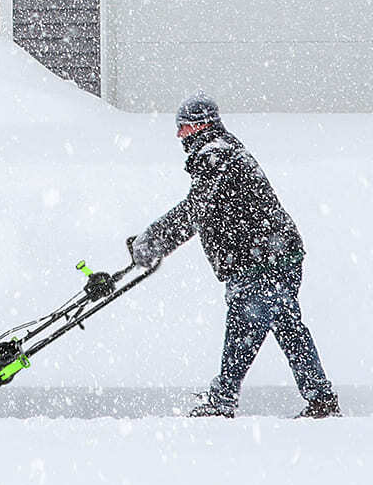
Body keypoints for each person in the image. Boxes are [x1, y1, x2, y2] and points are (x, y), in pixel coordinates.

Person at [131, 93, 341, 419]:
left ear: (202, 125)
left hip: (261, 260)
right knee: (286, 327)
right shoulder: (224, 152)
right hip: (276, 254)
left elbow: (194, 211)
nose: (179, 135)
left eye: (184, 128)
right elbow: (204, 211)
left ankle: (224, 399)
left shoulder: (216, 156)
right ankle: (320, 400)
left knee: (245, 325)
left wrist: (152, 242)